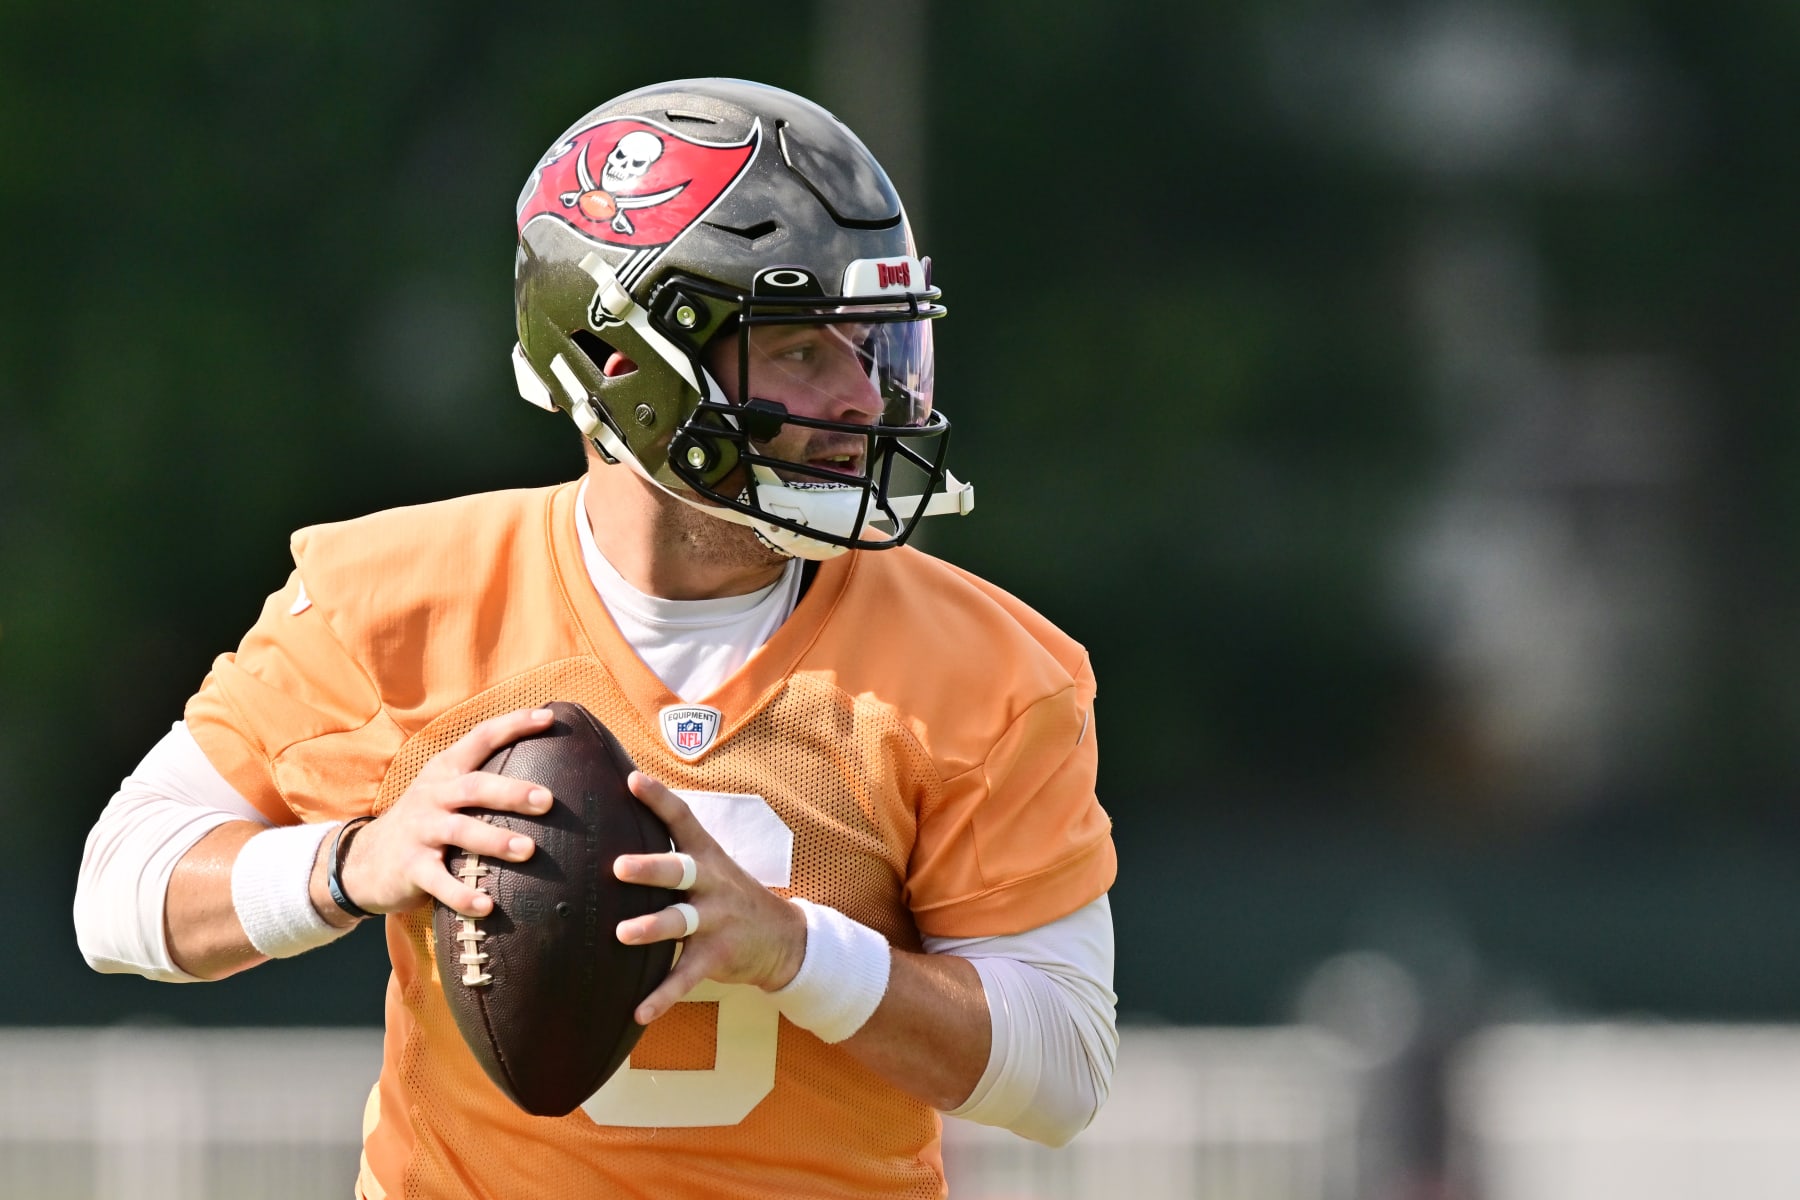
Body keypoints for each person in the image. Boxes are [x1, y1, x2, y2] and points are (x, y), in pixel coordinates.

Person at [73, 77, 1117, 1200]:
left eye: (871, 346)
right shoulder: (397, 598)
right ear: (630, 374)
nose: (863, 398)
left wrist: (792, 949)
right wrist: (351, 861)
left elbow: (1062, 1069)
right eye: (803, 349)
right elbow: (117, 893)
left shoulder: (986, 666)